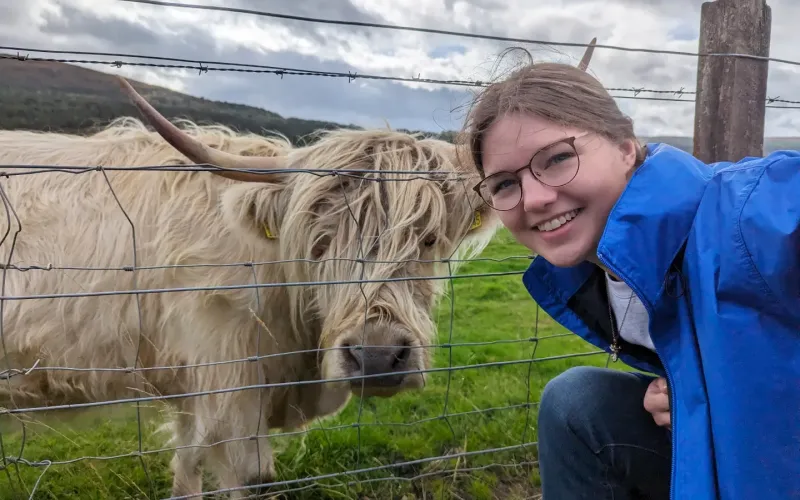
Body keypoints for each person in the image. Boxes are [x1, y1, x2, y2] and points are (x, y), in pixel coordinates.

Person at [458, 39, 799, 500]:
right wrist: (690, 393)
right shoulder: (600, 279)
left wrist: (740, 396)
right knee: (575, 400)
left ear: (625, 146)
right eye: (504, 184)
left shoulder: (753, 214)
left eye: (557, 158)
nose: (534, 199)